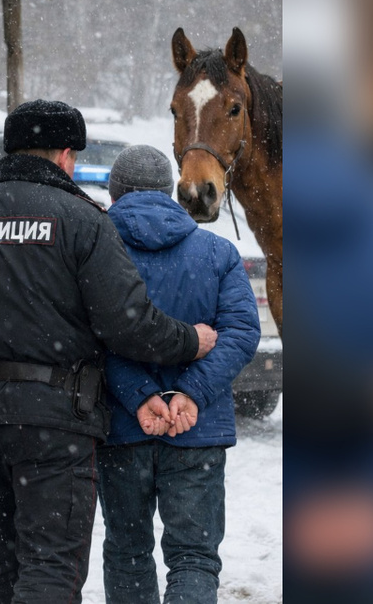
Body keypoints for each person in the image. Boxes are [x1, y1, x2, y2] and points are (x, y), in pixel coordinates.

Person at [0, 100, 219, 604]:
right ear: (65, 156)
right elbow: (129, 324)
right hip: (56, 421)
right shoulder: (82, 221)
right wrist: (191, 339)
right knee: (50, 567)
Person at [97, 145, 261, 604]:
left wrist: (137, 394)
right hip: (198, 429)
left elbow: (89, 335)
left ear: (115, 194)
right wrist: (191, 393)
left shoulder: (94, 248)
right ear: (169, 190)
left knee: (127, 552)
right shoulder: (217, 252)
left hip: (122, 428)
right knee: (193, 557)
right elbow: (242, 332)